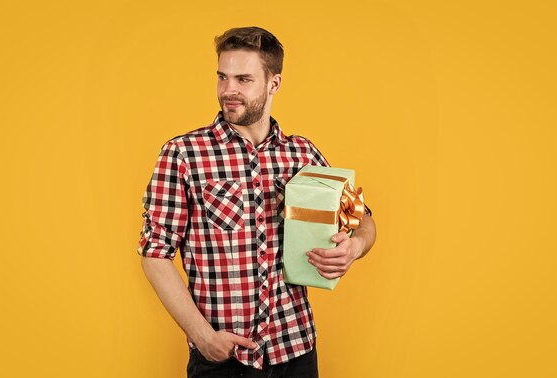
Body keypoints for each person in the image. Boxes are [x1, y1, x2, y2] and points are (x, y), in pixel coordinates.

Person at [137, 26, 377, 378]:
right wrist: (203, 337)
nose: (228, 90)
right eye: (222, 77)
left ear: (273, 83)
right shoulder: (183, 154)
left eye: (243, 79)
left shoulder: (302, 154)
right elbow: (154, 254)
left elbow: (363, 218)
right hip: (223, 358)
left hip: (296, 349)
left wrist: (354, 246)